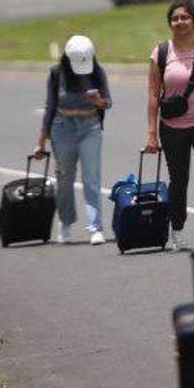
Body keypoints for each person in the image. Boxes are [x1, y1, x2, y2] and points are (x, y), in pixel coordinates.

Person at [144, 0, 194, 251]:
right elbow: (154, 94)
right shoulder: (161, 53)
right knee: (179, 179)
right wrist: (152, 134)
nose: (180, 22)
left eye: (185, 17)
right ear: (170, 24)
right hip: (173, 126)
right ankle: (177, 229)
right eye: (175, 19)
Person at [33, 35, 112, 245]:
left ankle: (95, 227)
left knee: (91, 178)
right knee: (64, 178)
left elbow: (108, 102)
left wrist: (98, 101)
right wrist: (40, 141)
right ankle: (65, 223)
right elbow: (50, 107)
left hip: (90, 127)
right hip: (62, 127)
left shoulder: (97, 71)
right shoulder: (57, 73)